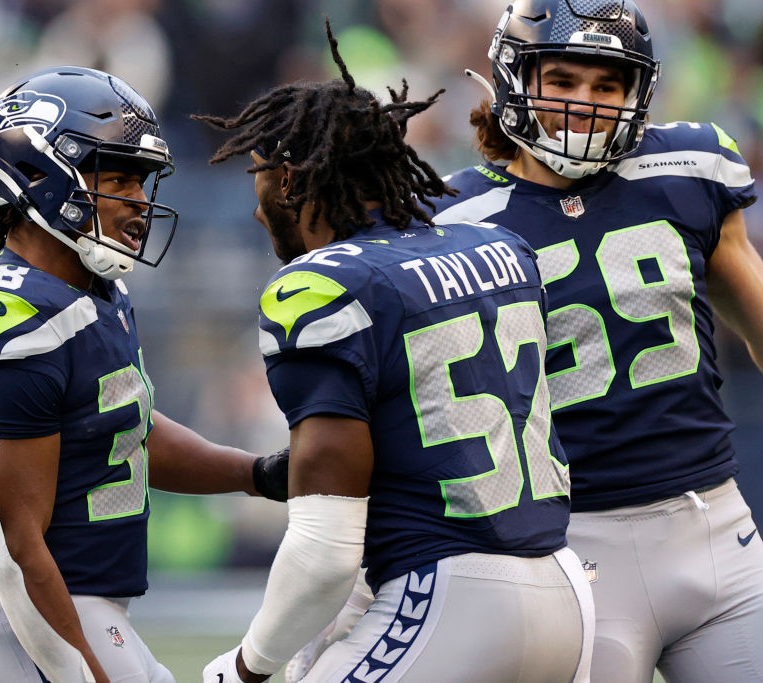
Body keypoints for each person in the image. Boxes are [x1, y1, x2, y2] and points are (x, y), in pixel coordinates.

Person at [193, 22, 594, 683]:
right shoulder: (500, 248)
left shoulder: (323, 284)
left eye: (260, 176)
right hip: (566, 593)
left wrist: (247, 665)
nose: (258, 207)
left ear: (293, 180)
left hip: (450, 595)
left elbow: (325, 547)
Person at [427, 1, 763, 680]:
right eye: (562, 80)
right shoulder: (452, 220)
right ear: (514, 78)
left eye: (606, 85)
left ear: (637, 93)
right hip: (568, 550)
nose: (585, 103)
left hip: (714, 528)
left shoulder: (688, 169)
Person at [0, 66, 289, 683]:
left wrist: (253, 474)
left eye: (143, 180)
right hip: (32, 615)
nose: (140, 201)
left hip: (84, 610)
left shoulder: (93, 296)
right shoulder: (5, 312)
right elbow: (15, 547)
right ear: (37, 175)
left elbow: (127, 432)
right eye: (118, 177)